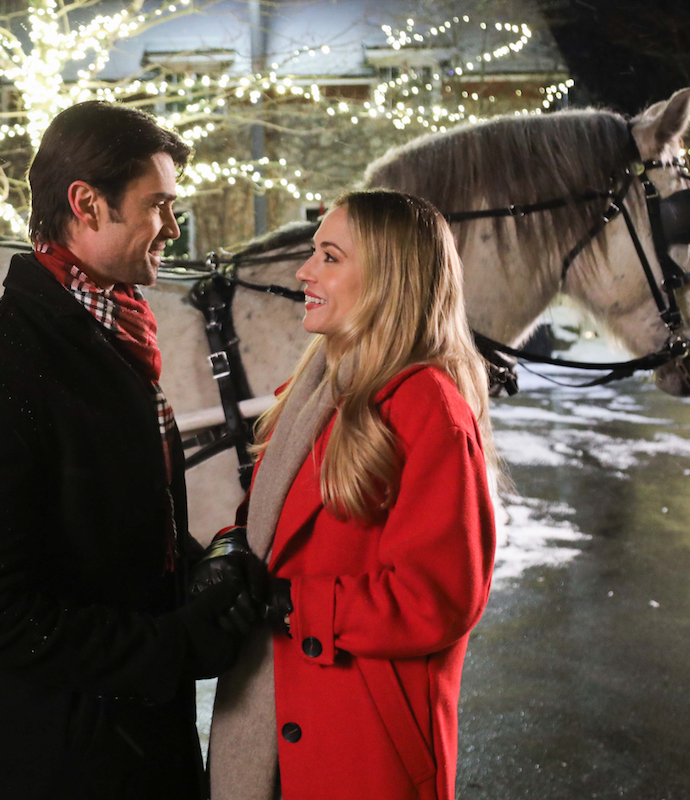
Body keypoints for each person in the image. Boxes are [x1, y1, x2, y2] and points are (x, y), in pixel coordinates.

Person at [0, 101, 252, 799]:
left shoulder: (107, 335)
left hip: (129, 741)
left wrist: (199, 575)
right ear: (86, 203)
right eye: (158, 205)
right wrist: (175, 645)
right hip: (61, 762)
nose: (172, 226)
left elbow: (109, 521)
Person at [197, 190, 498, 800]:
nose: (305, 272)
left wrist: (289, 605)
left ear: (388, 279)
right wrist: (233, 552)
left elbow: (436, 597)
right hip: (271, 721)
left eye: (329, 257)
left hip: (361, 741)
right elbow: (274, 521)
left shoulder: (428, 408)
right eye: (313, 253)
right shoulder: (313, 390)